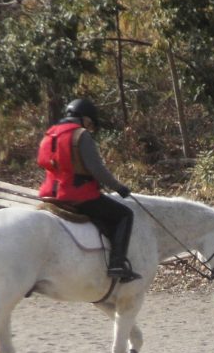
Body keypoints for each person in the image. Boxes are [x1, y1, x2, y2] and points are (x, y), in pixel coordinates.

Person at [37, 97, 141, 282]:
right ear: (85, 118)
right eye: (90, 123)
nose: (90, 127)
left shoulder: (50, 134)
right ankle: (117, 264)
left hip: (50, 194)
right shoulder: (80, 134)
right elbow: (97, 169)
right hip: (78, 196)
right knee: (125, 214)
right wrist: (119, 188)